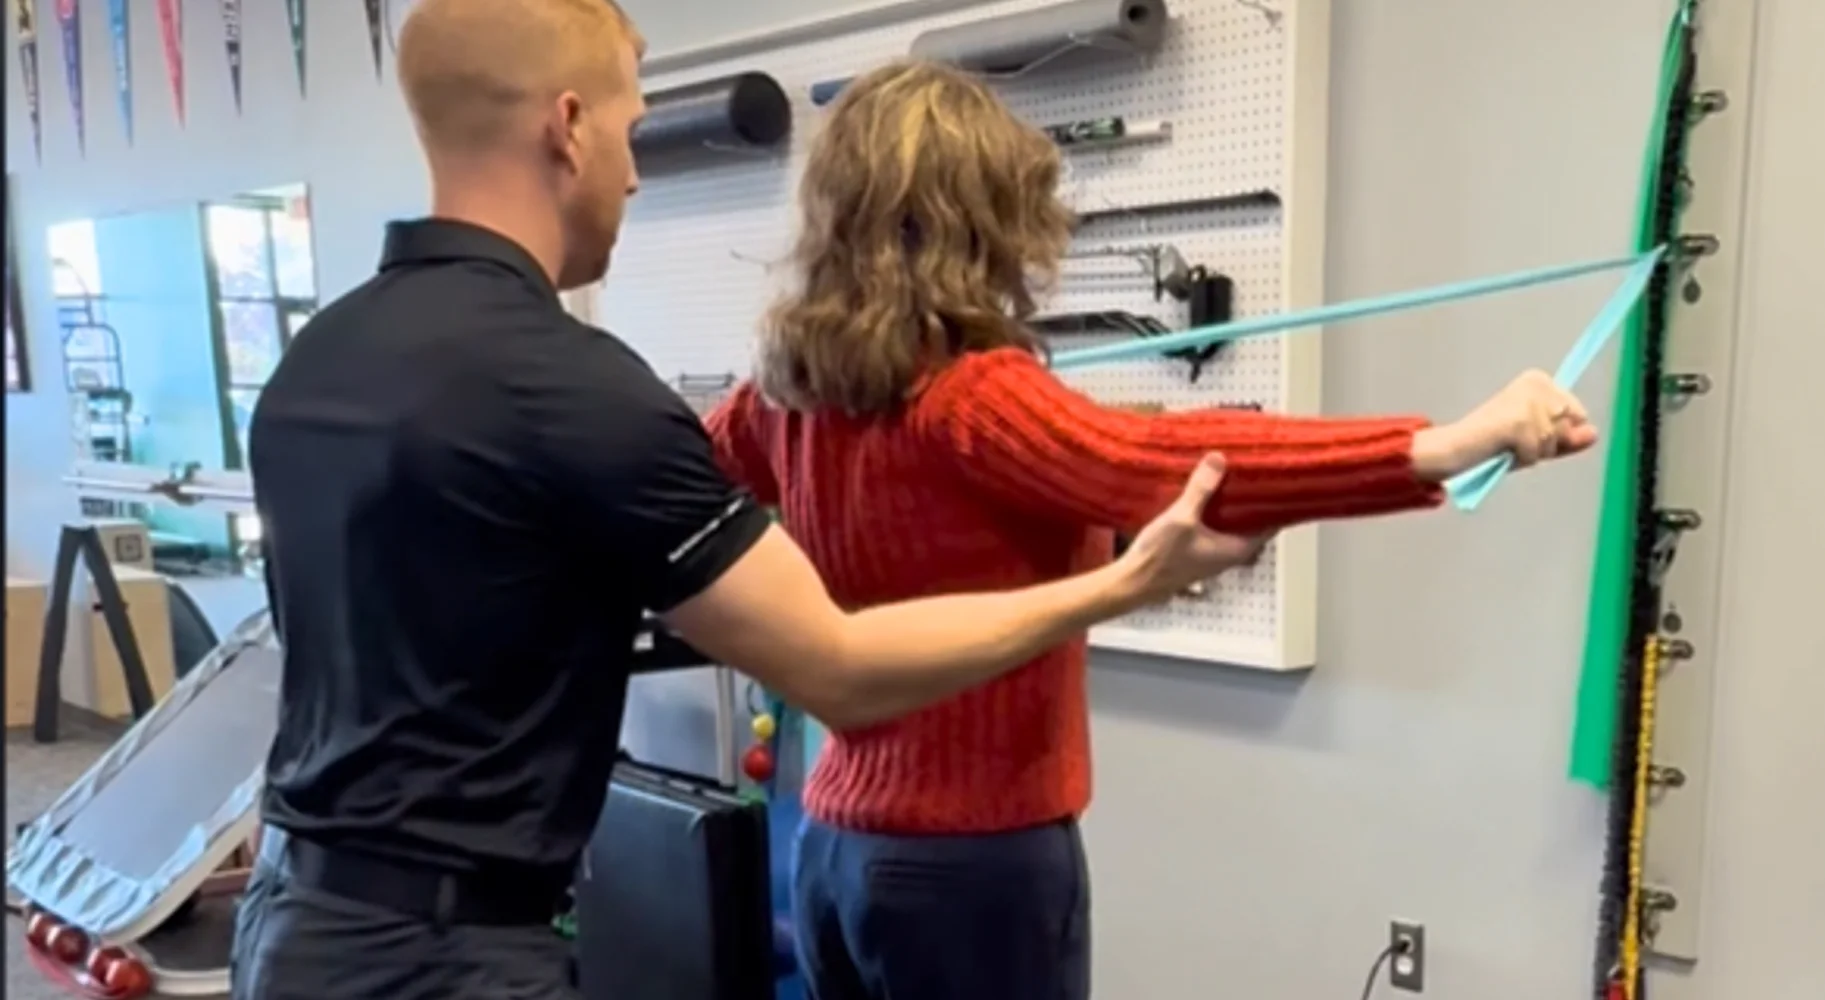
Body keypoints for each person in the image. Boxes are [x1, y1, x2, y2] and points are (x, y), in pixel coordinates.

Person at [227, 5, 1269, 999]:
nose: (635, 174)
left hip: (293, 923)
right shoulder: (570, 389)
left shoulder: (318, 362)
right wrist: (1123, 583)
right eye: (631, 131)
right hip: (445, 959)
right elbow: (839, 670)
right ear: (568, 126)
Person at [702, 60, 1600, 1000]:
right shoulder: (970, 397)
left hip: (834, 853)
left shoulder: (785, 397)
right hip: (970, 868)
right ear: (982, 219)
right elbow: (1167, 461)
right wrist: (1445, 445)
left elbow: (683, 468)